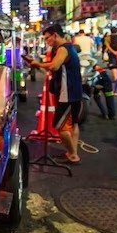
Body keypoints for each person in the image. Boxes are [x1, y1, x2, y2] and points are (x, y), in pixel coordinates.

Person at [29, 24, 83, 164]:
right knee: (74, 124)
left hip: (67, 93)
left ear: (55, 35)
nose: (47, 41)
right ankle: (72, 153)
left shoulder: (63, 49)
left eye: (48, 38)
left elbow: (54, 66)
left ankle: (73, 155)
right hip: (76, 91)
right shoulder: (69, 46)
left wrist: (38, 64)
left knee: (59, 126)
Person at [106, 28, 117, 92]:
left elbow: (107, 46)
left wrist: (113, 51)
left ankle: (116, 79)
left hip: (111, 53)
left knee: (113, 66)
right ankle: (116, 82)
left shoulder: (107, 37)